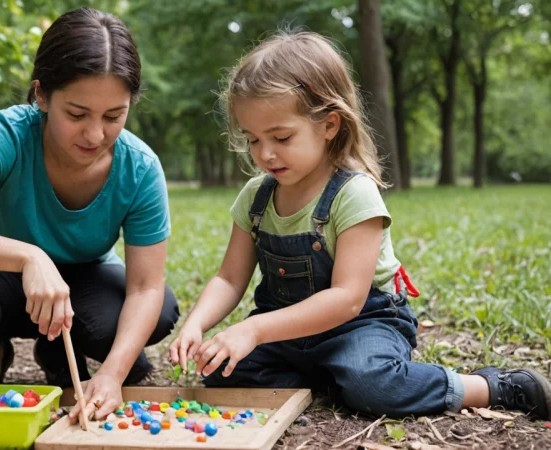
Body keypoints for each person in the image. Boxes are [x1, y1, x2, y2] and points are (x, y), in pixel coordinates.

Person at [168, 31, 551, 420]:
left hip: (362, 324)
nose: (265, 154)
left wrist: (253, 330)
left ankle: (492, 387)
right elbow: (230, 279)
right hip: (285, 331)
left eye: (281, 137)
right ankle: (328, 377)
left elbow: (347, 298)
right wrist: (197, 323)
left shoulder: (353, 194)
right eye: (252, 140)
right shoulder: (255, 197)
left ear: (329, 125)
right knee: (219, 370)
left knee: (372, 382)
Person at [0, 7, 179, 422]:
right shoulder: (6, 135)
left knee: (158, 311)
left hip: (86, 286)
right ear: (41, 95)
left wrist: (113, 374)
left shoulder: (139, 167)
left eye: (114, 116)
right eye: (77, 114)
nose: (94, 135)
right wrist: (31, 257)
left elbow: (145, 287)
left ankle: (57, 351)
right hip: (0, 281)